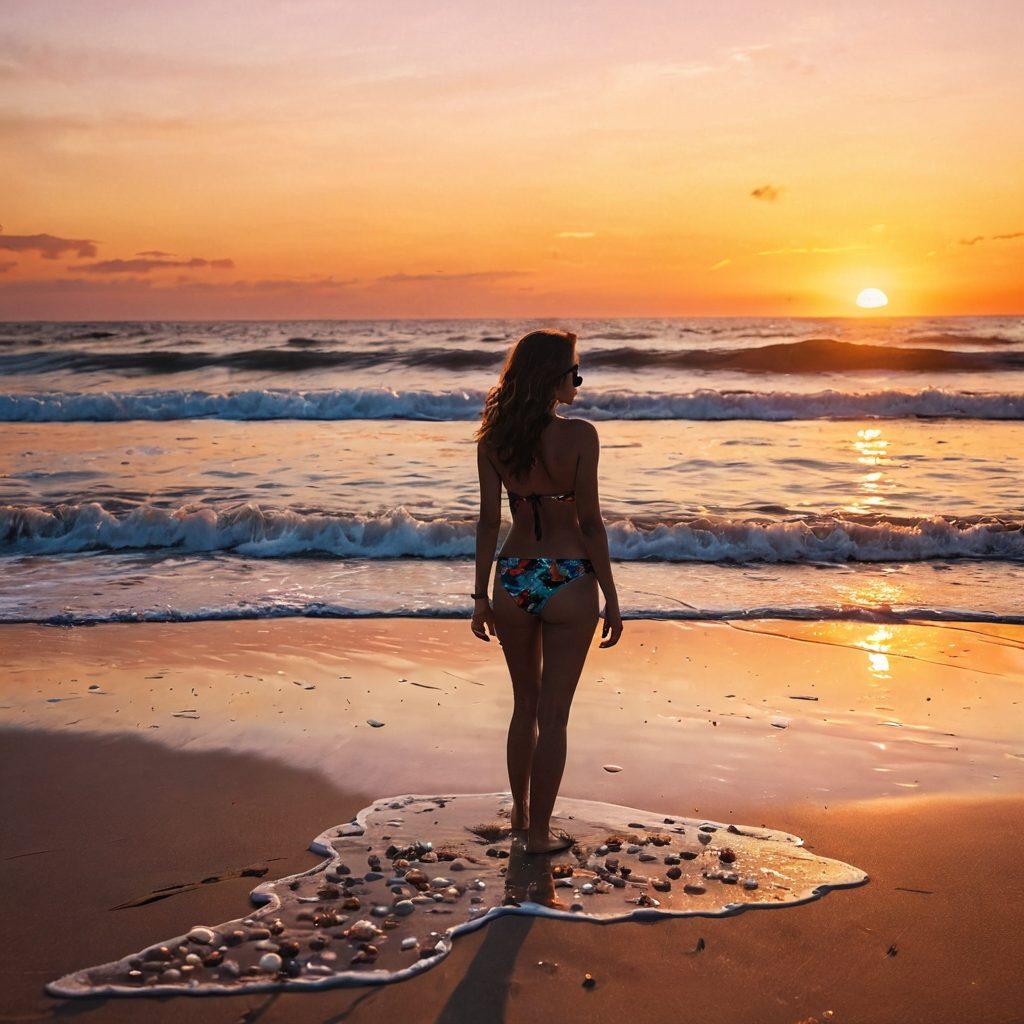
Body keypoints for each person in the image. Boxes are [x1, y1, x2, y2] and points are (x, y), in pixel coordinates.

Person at [470, 328, 623, 854]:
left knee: (524, 708)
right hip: (569, 579)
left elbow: (489, 523)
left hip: (512, 576)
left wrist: (480, 597)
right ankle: (538, 834)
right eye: (574, 372)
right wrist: (612, 596)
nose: (578, 382)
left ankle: (519, 815)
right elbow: (592, 524)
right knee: (554, 716)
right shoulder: (581, 436)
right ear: (553, 377)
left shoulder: (494, 440)